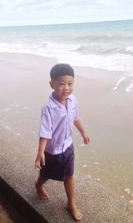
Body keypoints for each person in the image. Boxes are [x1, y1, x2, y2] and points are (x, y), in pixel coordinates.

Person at [35, 63, 90, 221]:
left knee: (69, 176)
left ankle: (71, 204)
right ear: (51, 84)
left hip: (68, 146)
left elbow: (75, 118)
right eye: (61, 84)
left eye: (70, 84)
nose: (66, 88)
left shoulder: (73, 100)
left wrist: (83, 132)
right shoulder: (48, 108)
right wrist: (40, 153)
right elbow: (44, 132)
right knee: (46, 174)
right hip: (52, 151)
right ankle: (38, 184)